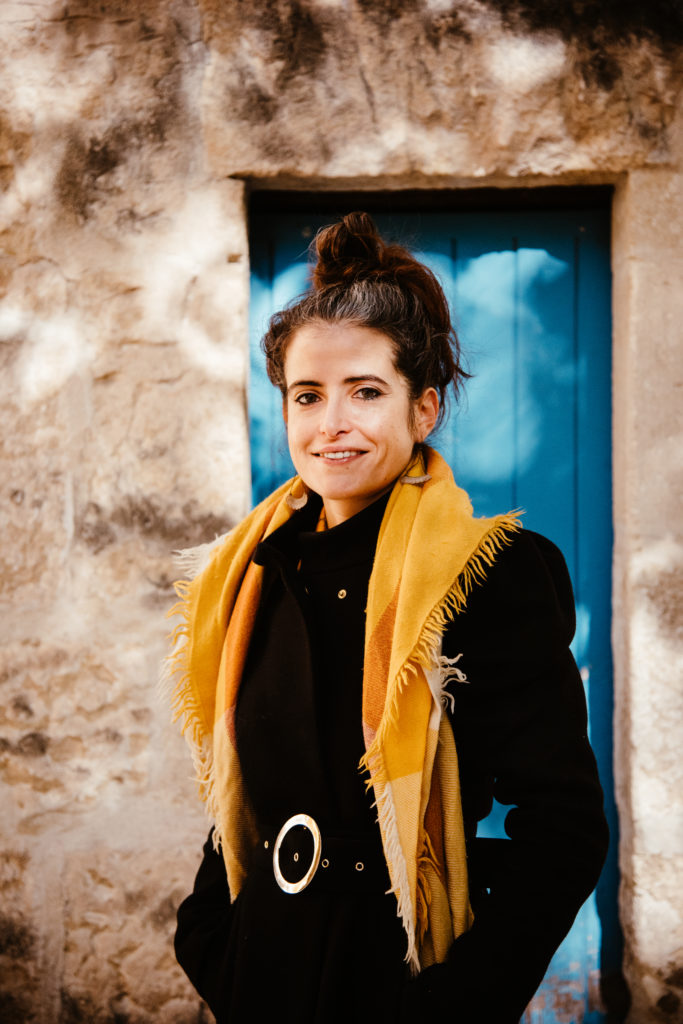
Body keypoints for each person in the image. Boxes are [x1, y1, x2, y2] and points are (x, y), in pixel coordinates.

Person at [166, 212, 609, 1023]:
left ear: (423, 409)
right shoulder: (251, 576)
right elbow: (243, 796)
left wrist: (453, 1004)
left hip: (400, 976)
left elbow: (563, 827)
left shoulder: (489, 574)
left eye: (365, 392)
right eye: (307, 396)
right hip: (264, 975)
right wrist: (210, 943)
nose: (331, 422)